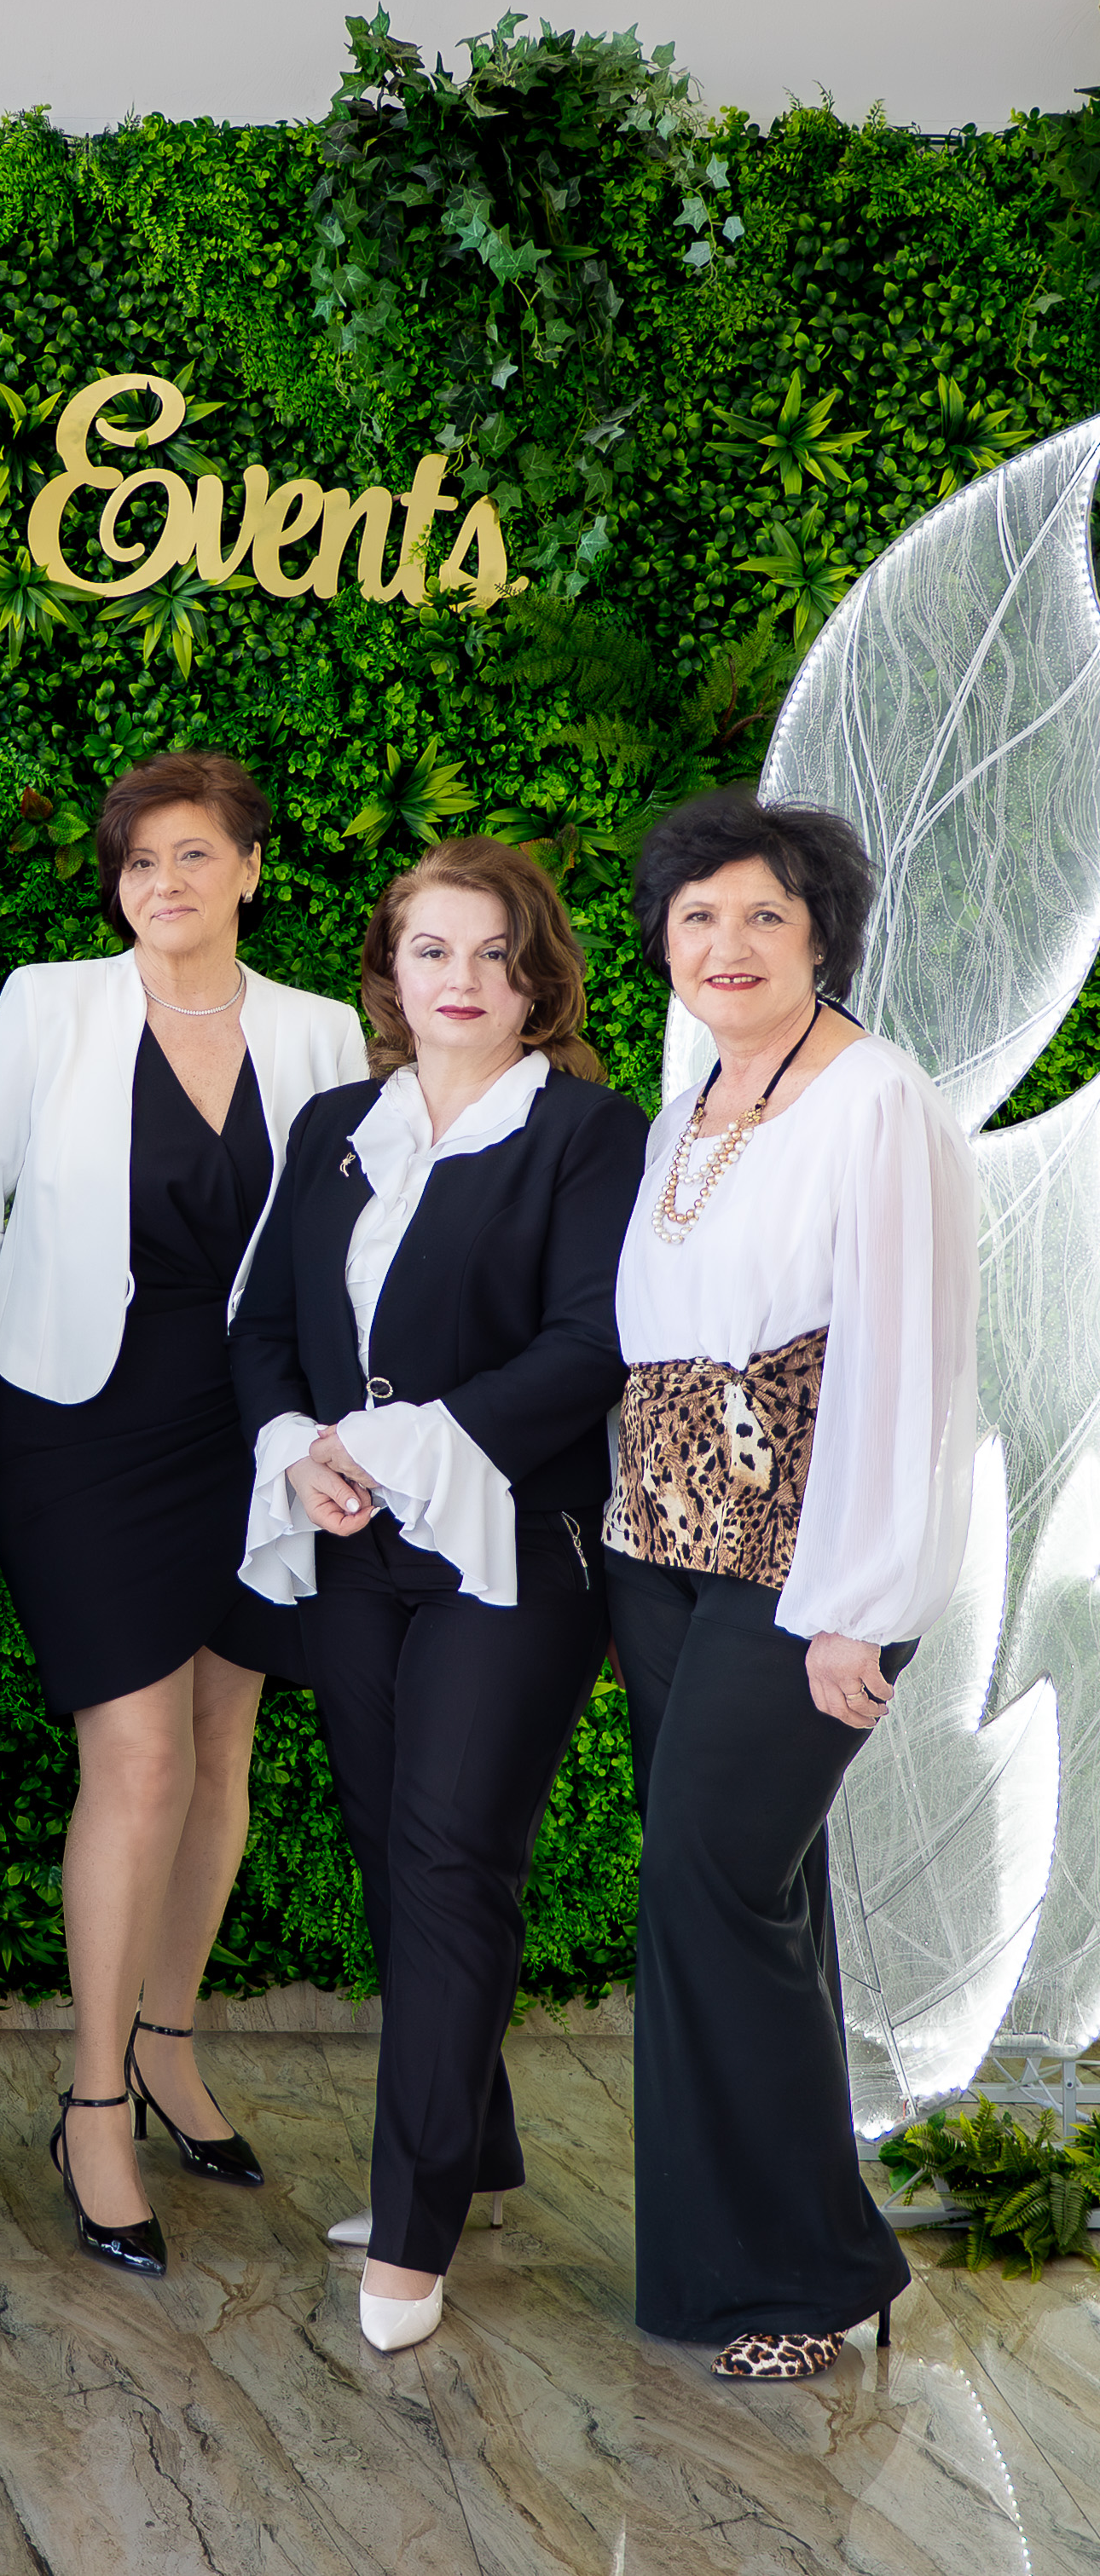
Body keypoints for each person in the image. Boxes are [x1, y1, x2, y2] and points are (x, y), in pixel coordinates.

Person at [0, 750, 367, 2277]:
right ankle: (92, 2105)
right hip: (89, 1427)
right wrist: (30, 1343)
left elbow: (352, 1235)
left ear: (251, 870)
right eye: (139, 862)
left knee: (224, 1745)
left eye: (193, 855)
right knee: (142, 1757)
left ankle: (170, 2045)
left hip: (262, 1427)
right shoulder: (52, 1006)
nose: (163, 883)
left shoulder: (319, 1030)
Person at [229, 837, 646, 2351]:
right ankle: (475, 2150)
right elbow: (264, 1325)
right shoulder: (336, 1124)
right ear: (389, 974)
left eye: (492, 953)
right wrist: (297, 1446)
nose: (461, 980)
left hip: (515, 1547)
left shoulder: (590, 1132)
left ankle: (413, 2234)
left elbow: (591, 1342)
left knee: (456, 1856)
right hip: (353, 1539)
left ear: (539, 979)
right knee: (390, 1852)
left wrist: (393, 1445)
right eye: (431, 951)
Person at [607, 788, 978, 2380]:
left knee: (709, 1884)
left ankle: (816, 2273)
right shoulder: (696, 1091)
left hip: (805, 1564)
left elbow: (906, 1358)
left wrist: (856, 1602)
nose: (729, 943)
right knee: (755, 1896)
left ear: (824, 934)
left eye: (765, 914)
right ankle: (742, 2260)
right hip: (663, 1548)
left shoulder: (875, 1096)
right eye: (699, 917)